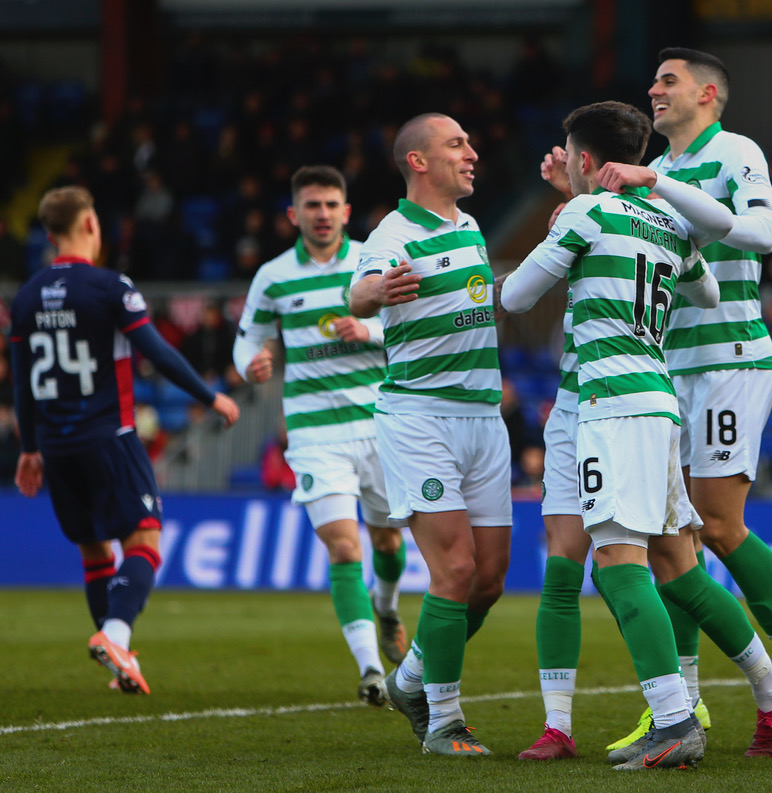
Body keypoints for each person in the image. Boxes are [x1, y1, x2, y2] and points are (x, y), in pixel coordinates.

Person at [499, 101, 772, 768]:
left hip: (612, 406)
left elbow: (516, 298)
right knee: (674, 564)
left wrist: (566, 238)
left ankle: (674, 721)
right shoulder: (667, 222)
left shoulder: (584, 213)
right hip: (657, 403)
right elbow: (710, 296)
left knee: (616, 561)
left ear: (582, 161)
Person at [633, 47, 772, 740]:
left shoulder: (735, 153)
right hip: (670, 366)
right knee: (675, 534)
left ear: (708, 93)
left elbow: (761, 232)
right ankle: (685, 700)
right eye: (655, 80)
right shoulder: (656, 171)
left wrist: (660, 194)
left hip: (730, 359)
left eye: (669, 80)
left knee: (715, 524)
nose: (654, 90)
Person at [9, 186, 240, 694]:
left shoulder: (24, 296)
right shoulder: (109, 287)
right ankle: (115, 635)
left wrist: (29, 448)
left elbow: (22, 383)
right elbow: (155, 352)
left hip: (54, 444)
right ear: (91, 225)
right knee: (145, 537)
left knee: (95, 552)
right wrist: (210, 396)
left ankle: (119, 658)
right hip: (108, 436)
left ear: (49, 234)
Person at [349, 114, 511, 757]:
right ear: (418, 162)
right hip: (420, 418)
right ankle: (443, 720)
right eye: (457, 144)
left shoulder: (467, 226)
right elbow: (360, 292)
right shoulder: (394, 233)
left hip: (482, 418)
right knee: (456, 569)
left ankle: (411, 678)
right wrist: (374, 292)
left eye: (471, 141)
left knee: (491, 578)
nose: (472, 153)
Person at [233, 165, 409, 707]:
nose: (323, 213)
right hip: (314, 434)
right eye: (312, 205)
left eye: (332, 204)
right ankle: (371, 671)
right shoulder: (273, 276)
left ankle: (386, 605)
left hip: (379, 425)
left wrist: (371, 329)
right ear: (294, 215)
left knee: (387, 542)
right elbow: (248, 339)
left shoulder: (371, 260)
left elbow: (409, 329)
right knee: (342, 547)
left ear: (347, 212)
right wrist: (251, 366)